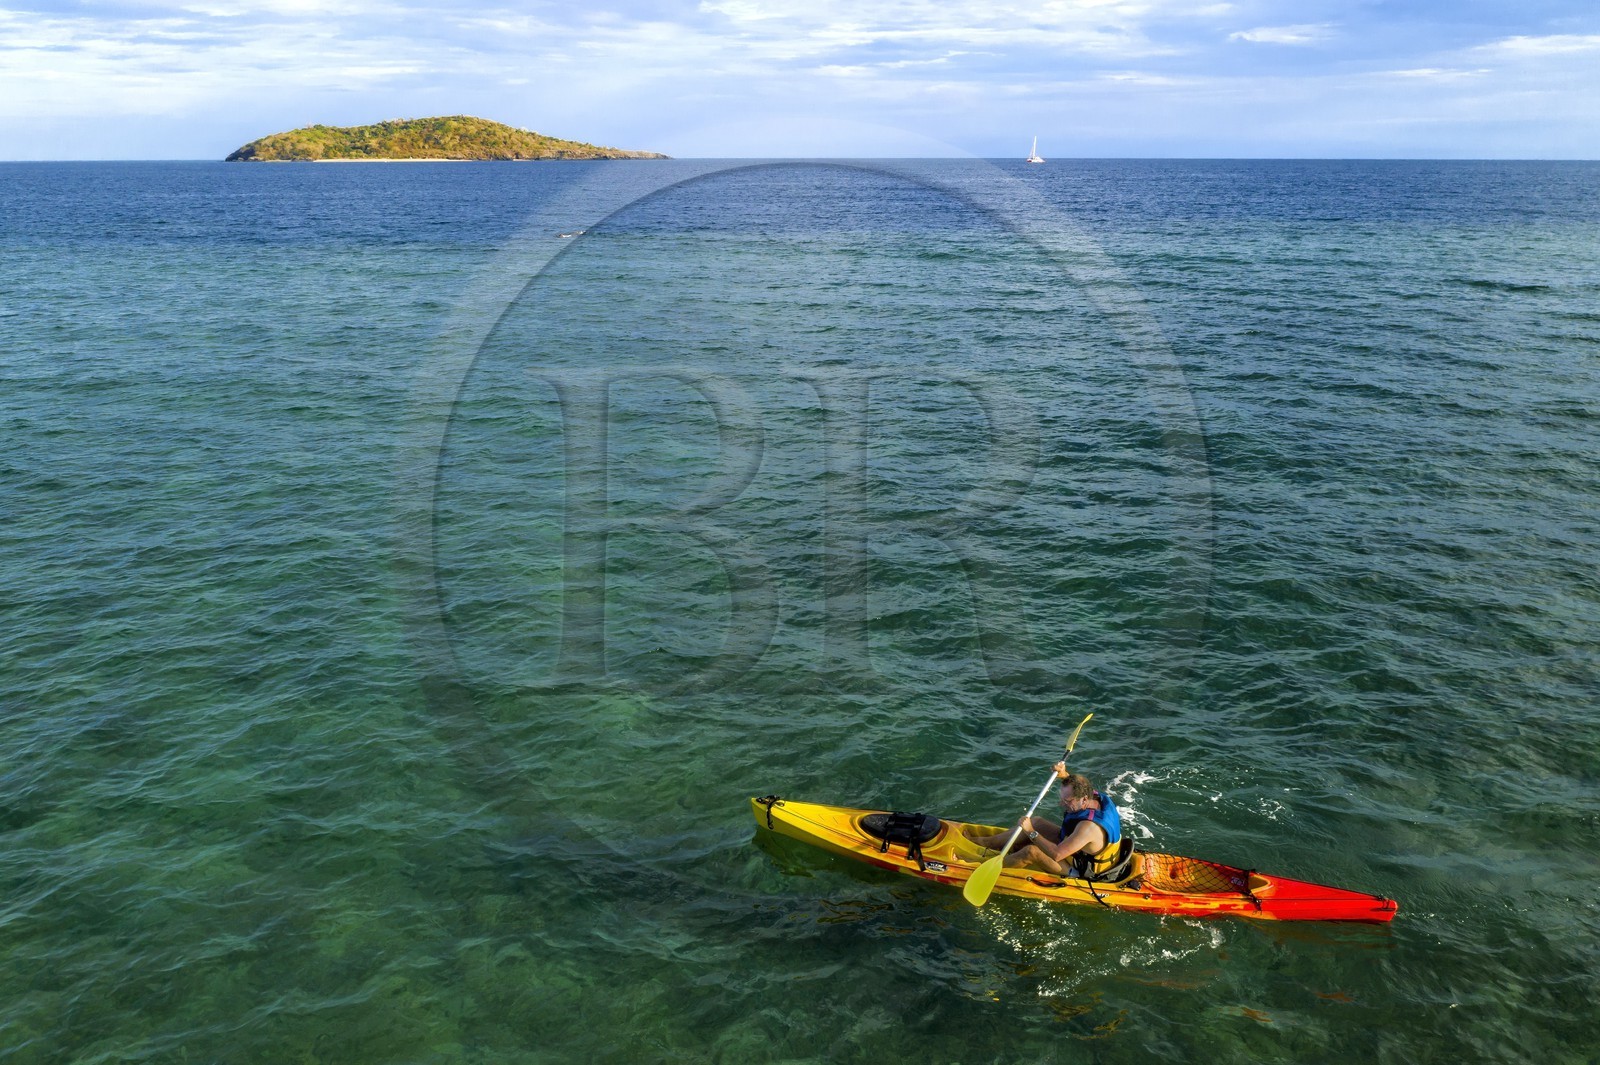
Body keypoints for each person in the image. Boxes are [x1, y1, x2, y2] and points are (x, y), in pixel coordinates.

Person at [965, 762, 1125, 879]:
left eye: (1067, 801)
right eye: (1062, 798)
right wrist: (1064, 775)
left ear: (1084, 799)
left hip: (1082, 868)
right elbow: (1075, 783)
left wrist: (1030, 832)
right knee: (1037, 822)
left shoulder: (1088, 827)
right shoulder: (1094, 796)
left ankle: (981, 868)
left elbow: (1057, 854)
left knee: (1031, 851)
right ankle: (982, 842)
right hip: (1078, 849)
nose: (1062, 804)